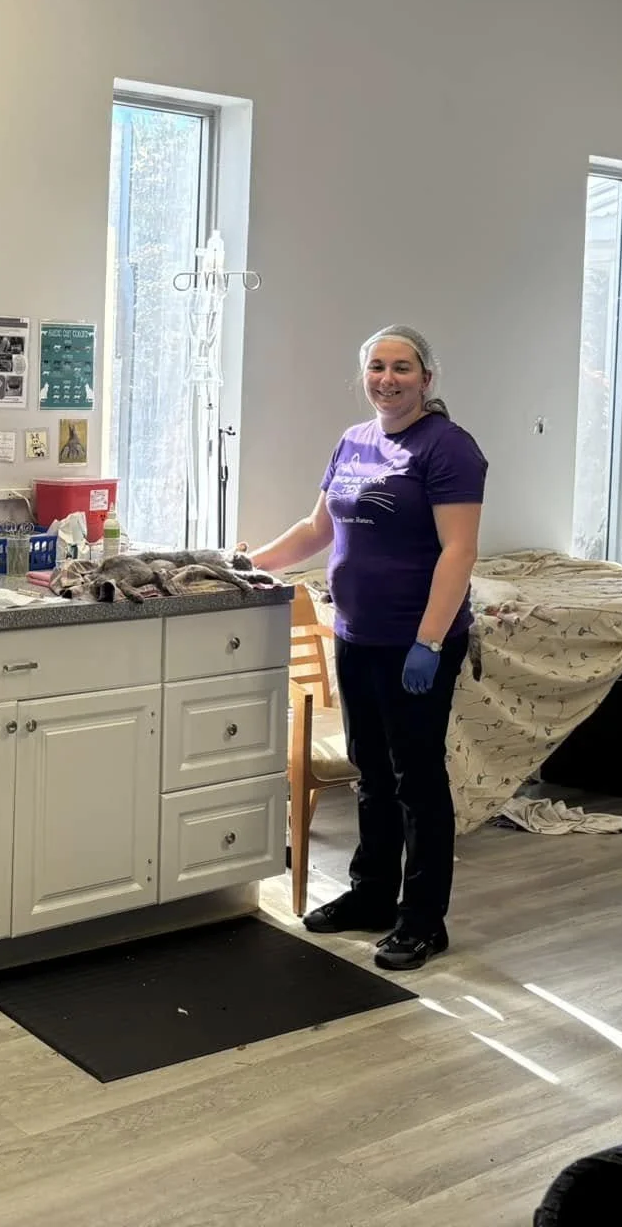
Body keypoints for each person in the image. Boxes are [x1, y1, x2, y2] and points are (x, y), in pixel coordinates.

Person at [247, 325, 485, 972]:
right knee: (370, 773)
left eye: (402, 367)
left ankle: (422, 919)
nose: (388, 378)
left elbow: (459, 551)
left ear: (427, 379)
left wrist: (430, 641)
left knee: (416, 778)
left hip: (416, 643)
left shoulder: (448, 448)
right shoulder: (354, 442)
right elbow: (316, 529)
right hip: (355, 635)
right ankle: (371, 894)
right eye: (377, 367)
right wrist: (246, 564)